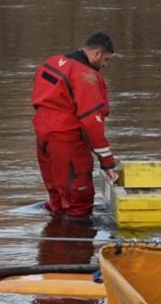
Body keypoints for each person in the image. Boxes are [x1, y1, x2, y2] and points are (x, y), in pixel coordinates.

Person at [31, 31, 119, 217]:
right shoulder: (86, 76)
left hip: (43, 138)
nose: (105, 65)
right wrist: (107, 161)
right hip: (68, 143)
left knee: (57, 199)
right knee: (79, 203)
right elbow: (92, 123)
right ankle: (77, 235)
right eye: (106, 60)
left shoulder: (51, 62)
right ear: (97, 54)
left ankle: (54, 232)